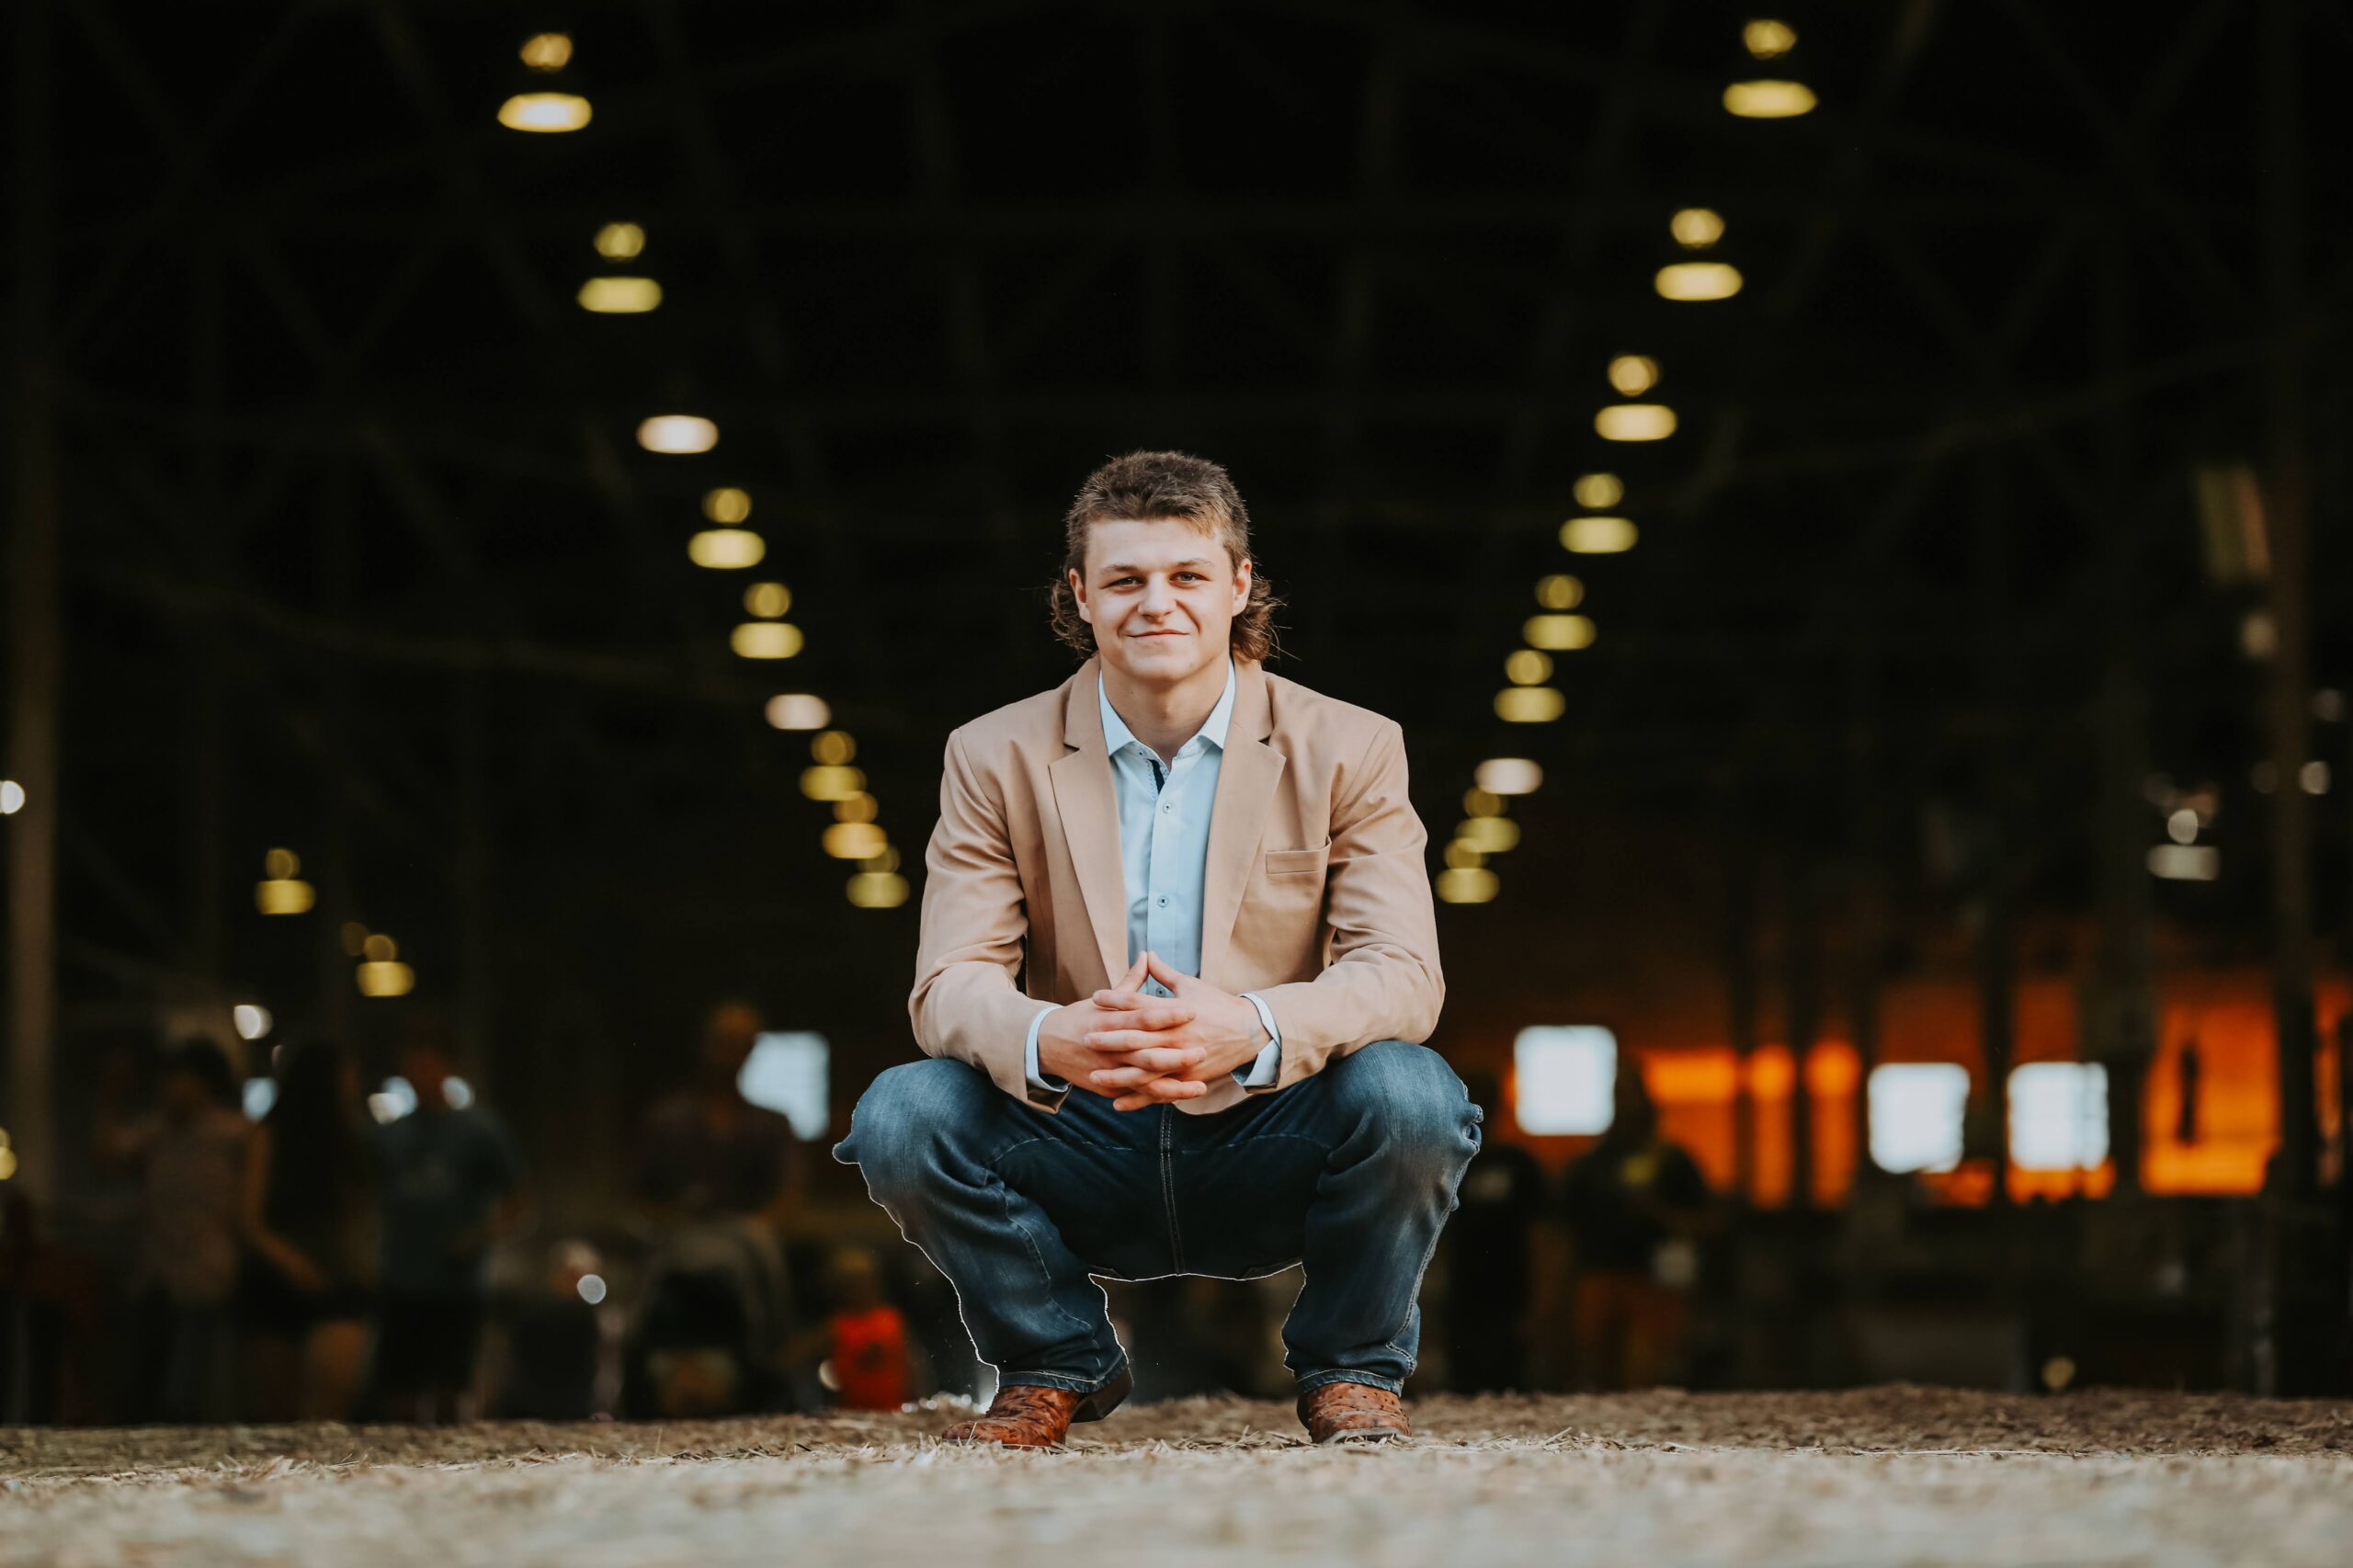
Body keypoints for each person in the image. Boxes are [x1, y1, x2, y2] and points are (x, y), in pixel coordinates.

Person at [835, 450, 1476, 1447]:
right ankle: (1054, 1359)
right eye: (1126, 579)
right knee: (901, 1112)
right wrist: (1050, 1036)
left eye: (1186, 575)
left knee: (1415, 1094)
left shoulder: (1351, 745)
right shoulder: (991, 753)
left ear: (1239, 585)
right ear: (1080, 594)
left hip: (1271, 1128)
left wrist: (1253, 1024)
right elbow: (948, 983)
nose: (1156, 603)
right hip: (1077, 1131)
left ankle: (1353, 1368)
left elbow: (1401, 973)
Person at [623, 1001, 801, 1417]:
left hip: (746, 1236)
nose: (730, 1054)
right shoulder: (665, 1119)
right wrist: (669, 1218)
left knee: (769, 1276)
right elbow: (639, 1195)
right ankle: (630, 1378)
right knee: (642, 1294)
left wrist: (759, 1227)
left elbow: (789, 1193)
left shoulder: (771, 1124)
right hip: (680, 1234)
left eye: (742, 1043)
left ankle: (774, 1367)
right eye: (724, 1042)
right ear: (705, 1045)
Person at [371, 1021, 529, 1421]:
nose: (421, 1074)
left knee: (451, 1388)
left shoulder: (480, 1132)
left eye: (430, 1064)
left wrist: (476, 1238)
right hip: (400, 1278)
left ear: (449, 1067)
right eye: (414, 1065)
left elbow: (517, 1201)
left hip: (456, 1284)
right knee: (399, 1390)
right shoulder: (390, 1136)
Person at [95, 1038, 249, 1423]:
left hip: (206, 1274)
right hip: (155, 1275)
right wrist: (110, 1098)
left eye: (180, 1077)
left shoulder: (232, 1134)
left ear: (206, 1083)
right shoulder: (157, 1131)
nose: (170, 1087)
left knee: (189, 1393)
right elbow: (108, 1162)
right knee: (140, 1390)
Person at [241, 1040, 375, 1421]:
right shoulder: (270, 1135)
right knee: (281, 1413)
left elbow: (365, 1213)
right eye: (347, 1073)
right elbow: (248, 1220)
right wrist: (291, 1264)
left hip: (339, 1280)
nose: (354, 1082)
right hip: (277, 1281)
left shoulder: (354, 1137)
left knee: (331, 1403)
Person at [1561, 1063, 1711, 1391]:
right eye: (1619, 1095)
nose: (1626, 1104)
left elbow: (1705, 1222)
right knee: (1598, 1372)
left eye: (1631, 1094)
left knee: (1646, 1373)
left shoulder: (1672, 1161)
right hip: (1599, 1278)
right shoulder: (1590, 1165)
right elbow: (1564, 1233)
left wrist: (1659, 1212)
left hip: (1653, 1282)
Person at [1440, 1066, 1551, 1393]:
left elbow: (1540, 1236)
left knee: (1510, 1386)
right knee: (1463, 1385)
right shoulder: (1447, 1162)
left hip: (1510, 1296)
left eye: (1485, 1100)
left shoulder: (1519, 1163)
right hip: (1461, 1296)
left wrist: (1540, 1303)